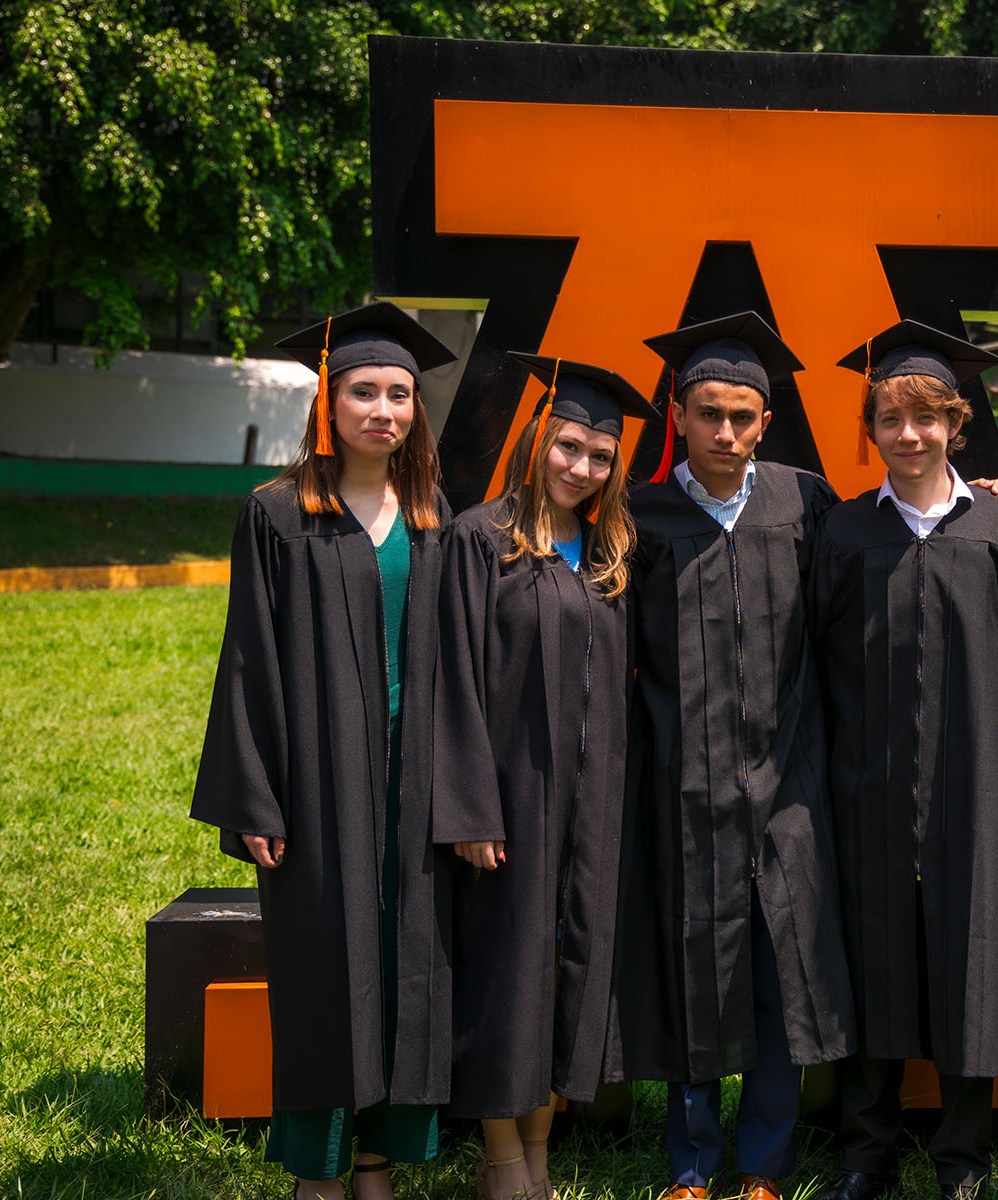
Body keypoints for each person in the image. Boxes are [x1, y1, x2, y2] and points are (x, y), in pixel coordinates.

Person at [191, 302, 457, 1200]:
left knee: (404, 959)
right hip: (318, 784)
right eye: (364, 392)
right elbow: (248, 661)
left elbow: (457, 666)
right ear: (328, 404)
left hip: (411, 781)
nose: (383, 410)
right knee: (321, 972)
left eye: (399, 394)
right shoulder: (277, 515)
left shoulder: (429, 517)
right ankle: (318, 1165)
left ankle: (378, 1159)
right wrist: (255, 799)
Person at [609, 312, 856, 1200]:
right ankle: (689, 1161)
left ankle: (764, 1161)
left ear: (767, 422)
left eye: (742, 416)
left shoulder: (805, 500)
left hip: (788, 783)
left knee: (780, 974)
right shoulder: (638, 514)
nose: (725, 432)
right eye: (708, 413)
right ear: (678, 414)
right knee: (693, 968)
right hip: (684, 785)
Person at [810, 320, 998, 1200]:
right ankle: (864, 1155)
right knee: (873, 963)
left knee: (969, 965)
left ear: (956, 424)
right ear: (871, 430)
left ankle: (962, 1158)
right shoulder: (840, 532)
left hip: (972, 790)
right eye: (888, 419)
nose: (907, 436)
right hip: (864, 788)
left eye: (925, 419)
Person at [432, 354, 656, 1200]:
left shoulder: (608, 550)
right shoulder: (476, 540)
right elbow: (450, 681)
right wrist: (469, 810)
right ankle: (501, 1163)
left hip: (590, 801)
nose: (581, 467)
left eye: (599, 456)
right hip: (509, 799)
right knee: (505, 972)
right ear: (536, 441)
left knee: (569, 975)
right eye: (569, 446)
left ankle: (541, 1156)